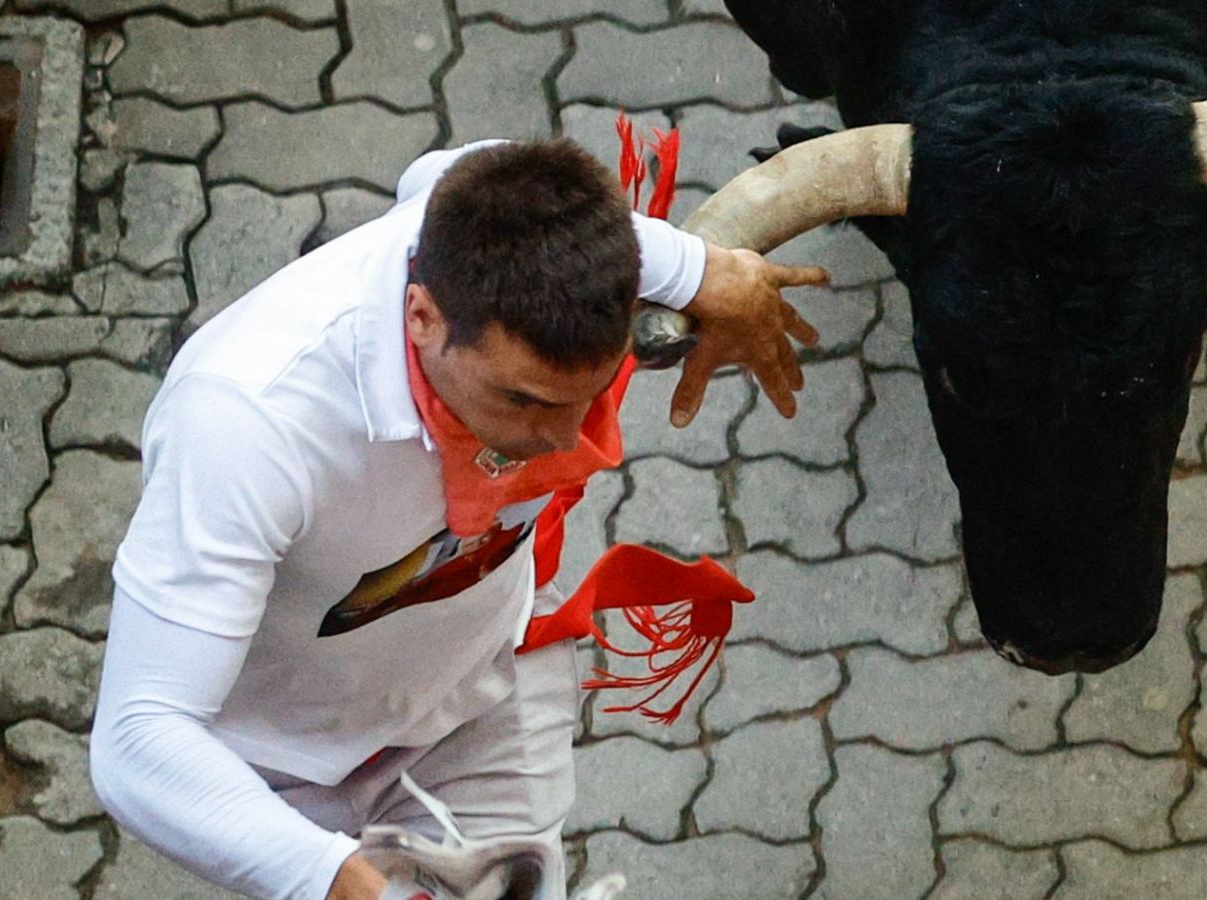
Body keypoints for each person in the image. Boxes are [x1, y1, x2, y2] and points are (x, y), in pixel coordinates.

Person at [88, 137, 827, 899]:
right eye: (522, 399)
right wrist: (335, 879)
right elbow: (138, 740)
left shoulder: (485, 206)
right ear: (421, 316)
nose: (564, 440)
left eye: (590, 395)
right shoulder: (246, 425)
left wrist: (711, 275)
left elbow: (445, 171)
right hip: (291, 773)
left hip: (483, 698)